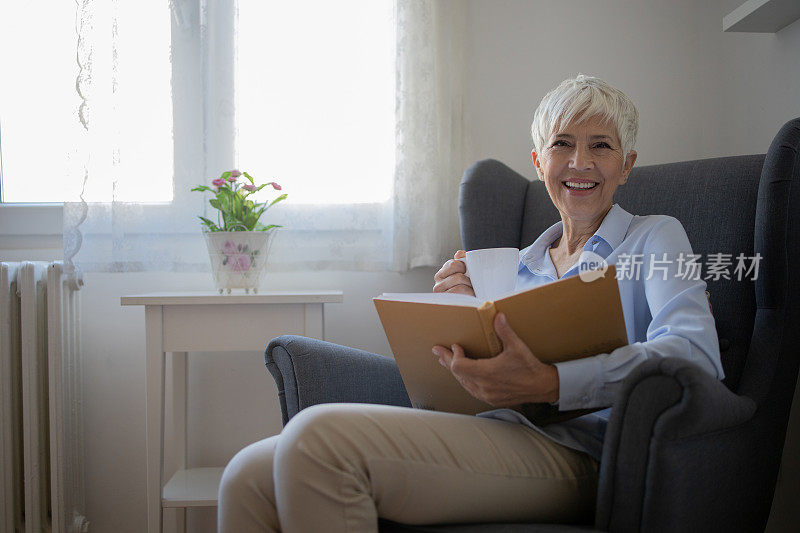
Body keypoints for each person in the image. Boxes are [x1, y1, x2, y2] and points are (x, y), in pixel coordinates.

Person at [217, 74, 724, 532]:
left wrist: (552, 382)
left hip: (583, 454)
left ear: (627, 165)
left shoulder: (655, 238)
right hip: (489, 432)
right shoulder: (506, 268)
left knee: (316, 439)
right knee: (246, 475)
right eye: (562, 144)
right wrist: (456, 321)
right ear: (538, 161)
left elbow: (696, 355)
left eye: (602, 146)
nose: (580, 162)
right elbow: (469, 386)